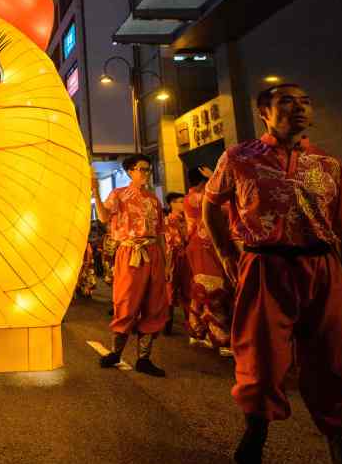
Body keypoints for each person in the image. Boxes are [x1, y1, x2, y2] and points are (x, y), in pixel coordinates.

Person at [202, 83, 342, 464]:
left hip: (325, 271)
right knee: (261, 366)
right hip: (265, 269)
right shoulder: (238, 158)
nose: (300, 109)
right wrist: (228, 255)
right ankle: (257, 425)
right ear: (264, 112)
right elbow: (212, 206)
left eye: (306, 102)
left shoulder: (330, 164)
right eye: (288, 103)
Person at [91, 155, 169, 377]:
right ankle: (116, 353)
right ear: (130, 172)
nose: (146, 173)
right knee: (126, 302)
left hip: (153, 253)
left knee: (154, 305)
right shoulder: (118, 195)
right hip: (130, 252)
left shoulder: (154, 199)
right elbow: (105, 218)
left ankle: (144, 358)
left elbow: (161, 233)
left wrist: (166, 262)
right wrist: (95, 192)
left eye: (148, 169)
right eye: (142, 169)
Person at [183, 166, 235, 355]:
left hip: (203, 245)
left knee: (203, 288)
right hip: (205, 246)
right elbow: (225, 207)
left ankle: (198, 331)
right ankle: (220, 337)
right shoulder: (199, 197)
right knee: (214, 289)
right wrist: (215, 176)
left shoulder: (190, 198)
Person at [163, 191, 188, 336]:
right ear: (172, 204)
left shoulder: (187, 220)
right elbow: (171, 245)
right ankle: (167, 323)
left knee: (189, 291)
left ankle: (192, 325)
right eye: (180, 201)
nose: (183, 204)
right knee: (170, 292)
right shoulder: (169, 221)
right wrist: (167, 266)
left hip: (186, 257)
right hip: (173, 258)